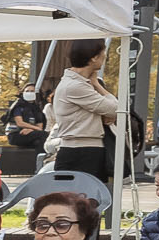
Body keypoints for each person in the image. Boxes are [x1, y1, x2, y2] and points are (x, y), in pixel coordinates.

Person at [47, 38, 120, 182]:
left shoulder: (77, 84)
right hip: (82, 151)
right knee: (81, 200)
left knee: (81, 200)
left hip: (81, 149)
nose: (105, 56)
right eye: (103, 52)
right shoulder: (75, 86)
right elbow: (117, 109)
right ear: (94, 57)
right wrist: (97, 85)